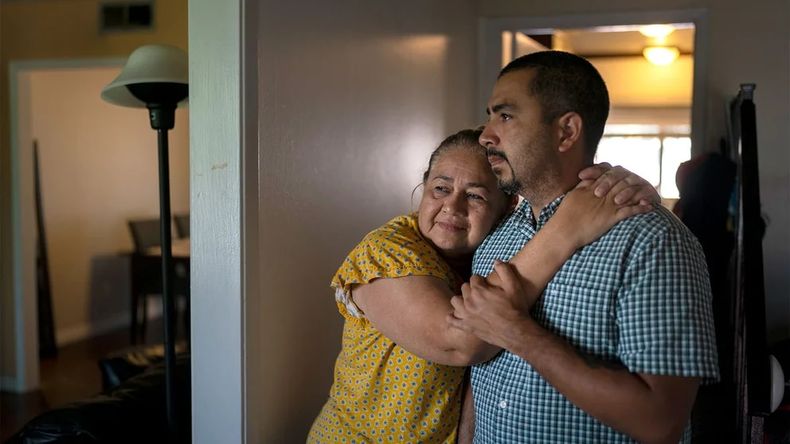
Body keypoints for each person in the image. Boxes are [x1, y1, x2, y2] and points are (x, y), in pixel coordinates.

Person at [307, 127, 659, 443]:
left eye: (475, 196)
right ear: (423, 188)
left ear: (507, 208)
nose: (452, 207)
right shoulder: (386, 250)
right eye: (440, 188)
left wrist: (620, 191)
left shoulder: (500, 248)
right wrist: (567, 228)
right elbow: (458, 342)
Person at [448, 51, 719, 443]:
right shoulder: (495, 235)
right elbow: (482, 375)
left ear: (567, 132)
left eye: (505, 116)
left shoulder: (652, 241)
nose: (486, 135)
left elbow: (661, 423)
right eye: (490, 116)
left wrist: (519, 334)